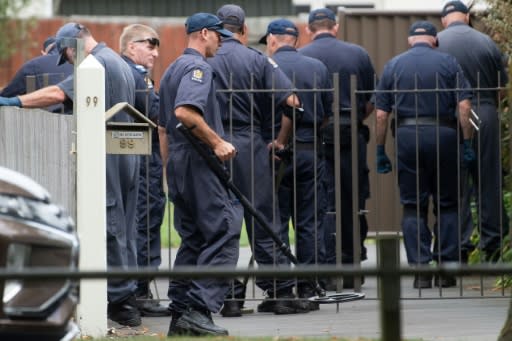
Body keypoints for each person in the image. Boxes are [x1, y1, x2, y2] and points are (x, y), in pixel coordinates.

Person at [0, 22, 142, 326]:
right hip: (124, 153)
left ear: (71, 46)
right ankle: (125, 294)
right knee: (123, 225)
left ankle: (121, 301)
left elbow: (57, 94)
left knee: (108, 222)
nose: (71, 61)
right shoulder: (118, 61)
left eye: (67, 55)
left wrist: (13, 101)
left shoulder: (97, 63)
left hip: (105, 154)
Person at [206, 4, 307, 317]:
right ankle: (279, 292)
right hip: (250, 146)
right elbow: (293, 103)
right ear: (244, 30)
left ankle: (226, 294)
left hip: (211, 144)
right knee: (263, 218)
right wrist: (280, 142)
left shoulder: (204, 59)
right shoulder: (258, 59)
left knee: (217, 221)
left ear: (214, 29)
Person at [158, 12, 243, 336]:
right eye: (219, 35)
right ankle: (199, 308)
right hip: (198, 159)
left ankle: (180, 314)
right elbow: (184, 112)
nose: (222, 41)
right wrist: (218, 142)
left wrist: (170, 170)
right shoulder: (198, 68)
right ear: (203, 33)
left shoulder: (170, 71)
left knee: (193, 239)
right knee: (224, 230)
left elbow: (163, 128)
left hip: (179, 162)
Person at [375, 20, 473, 288]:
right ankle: (446, 269)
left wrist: (380, 149)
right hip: (444, 136)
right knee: (447, 204)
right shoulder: (450, 63)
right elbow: (464, 106)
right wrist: (466, 143)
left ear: (410, 40)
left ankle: (420, 270)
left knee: (413, 206)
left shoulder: (394, 65)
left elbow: (382, 114)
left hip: (408, 137)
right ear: (435, 39)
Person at [299, 7, 375, 289]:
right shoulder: (358, 54)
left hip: (316, 135)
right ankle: (352, 262)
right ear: (336, 27)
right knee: (353, 198)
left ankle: (327, 266)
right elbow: (370, 99)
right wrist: (354, 118)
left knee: (322, 201)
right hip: (351, 130)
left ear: (309, 29)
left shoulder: (303, 56)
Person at [261, 18, 332, 309]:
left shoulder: (264, 66)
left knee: (275, 220)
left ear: (272, 40)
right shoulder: (317, 67)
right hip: (308, 150)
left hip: (272, 152)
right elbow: (326, 113)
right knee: (310, 220)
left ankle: (281, 285)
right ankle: (309, 283)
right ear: (296, 40)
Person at [437, 0, 509, 262]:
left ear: (444, 19)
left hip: (450, 115)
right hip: (485, 110)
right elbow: (501, 88)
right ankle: (493, 244)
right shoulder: (486, 42)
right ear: (466, 17)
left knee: (454, 182)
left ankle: (460, 244)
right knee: (488, 178)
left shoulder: (437, 41)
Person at [119, 24, 170, 317]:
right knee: (146, 222)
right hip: (141, 160)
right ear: (131, 47)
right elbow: (156, 114)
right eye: (149, 45)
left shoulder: (132, 74)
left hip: (139, 159)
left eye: (156, 45)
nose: (155, 52)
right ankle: (140, 293)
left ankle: (139, 289)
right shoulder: (136, 77)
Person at [0, 35, 73, 114]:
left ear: (43, 53)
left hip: (47, 121)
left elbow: (7, 95)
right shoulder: (80, 62)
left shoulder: (33, 65)